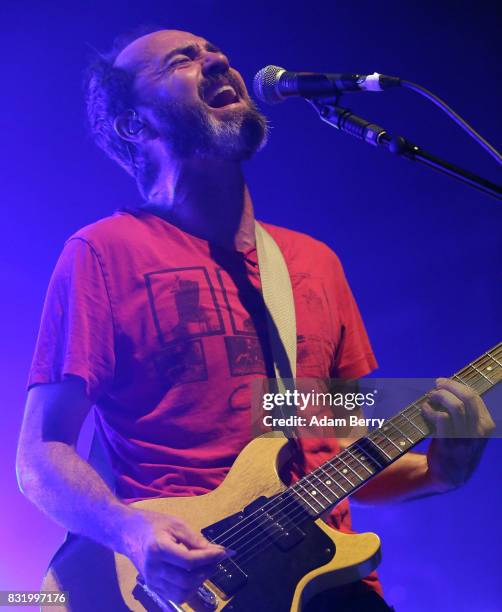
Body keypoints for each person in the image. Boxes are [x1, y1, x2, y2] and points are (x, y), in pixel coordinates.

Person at [16, 29, 495, 611]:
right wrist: (131, 533)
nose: (216, 59)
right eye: (182, 61)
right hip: (183, 590)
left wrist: (440, 470)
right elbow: (40, 456)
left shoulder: (315, 264)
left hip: (330, 584)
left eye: (213, 51)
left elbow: (337, 445)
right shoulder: (102, 252)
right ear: (134, 125)